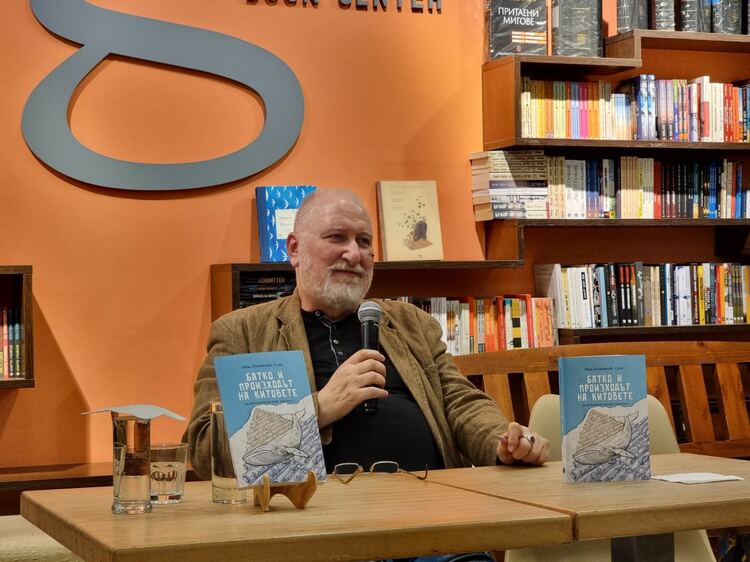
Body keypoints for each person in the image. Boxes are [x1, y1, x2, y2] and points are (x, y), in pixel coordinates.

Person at [184, 188, 549, 561]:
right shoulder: (243, 333)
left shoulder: (411, 324)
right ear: (294, 249)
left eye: (364, 242)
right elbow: (204, 446)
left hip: (430, 526)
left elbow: (461, 402)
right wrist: (318, 409)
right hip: (315, 535)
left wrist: (502, 442)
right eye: (336, 238)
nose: (354, 254)